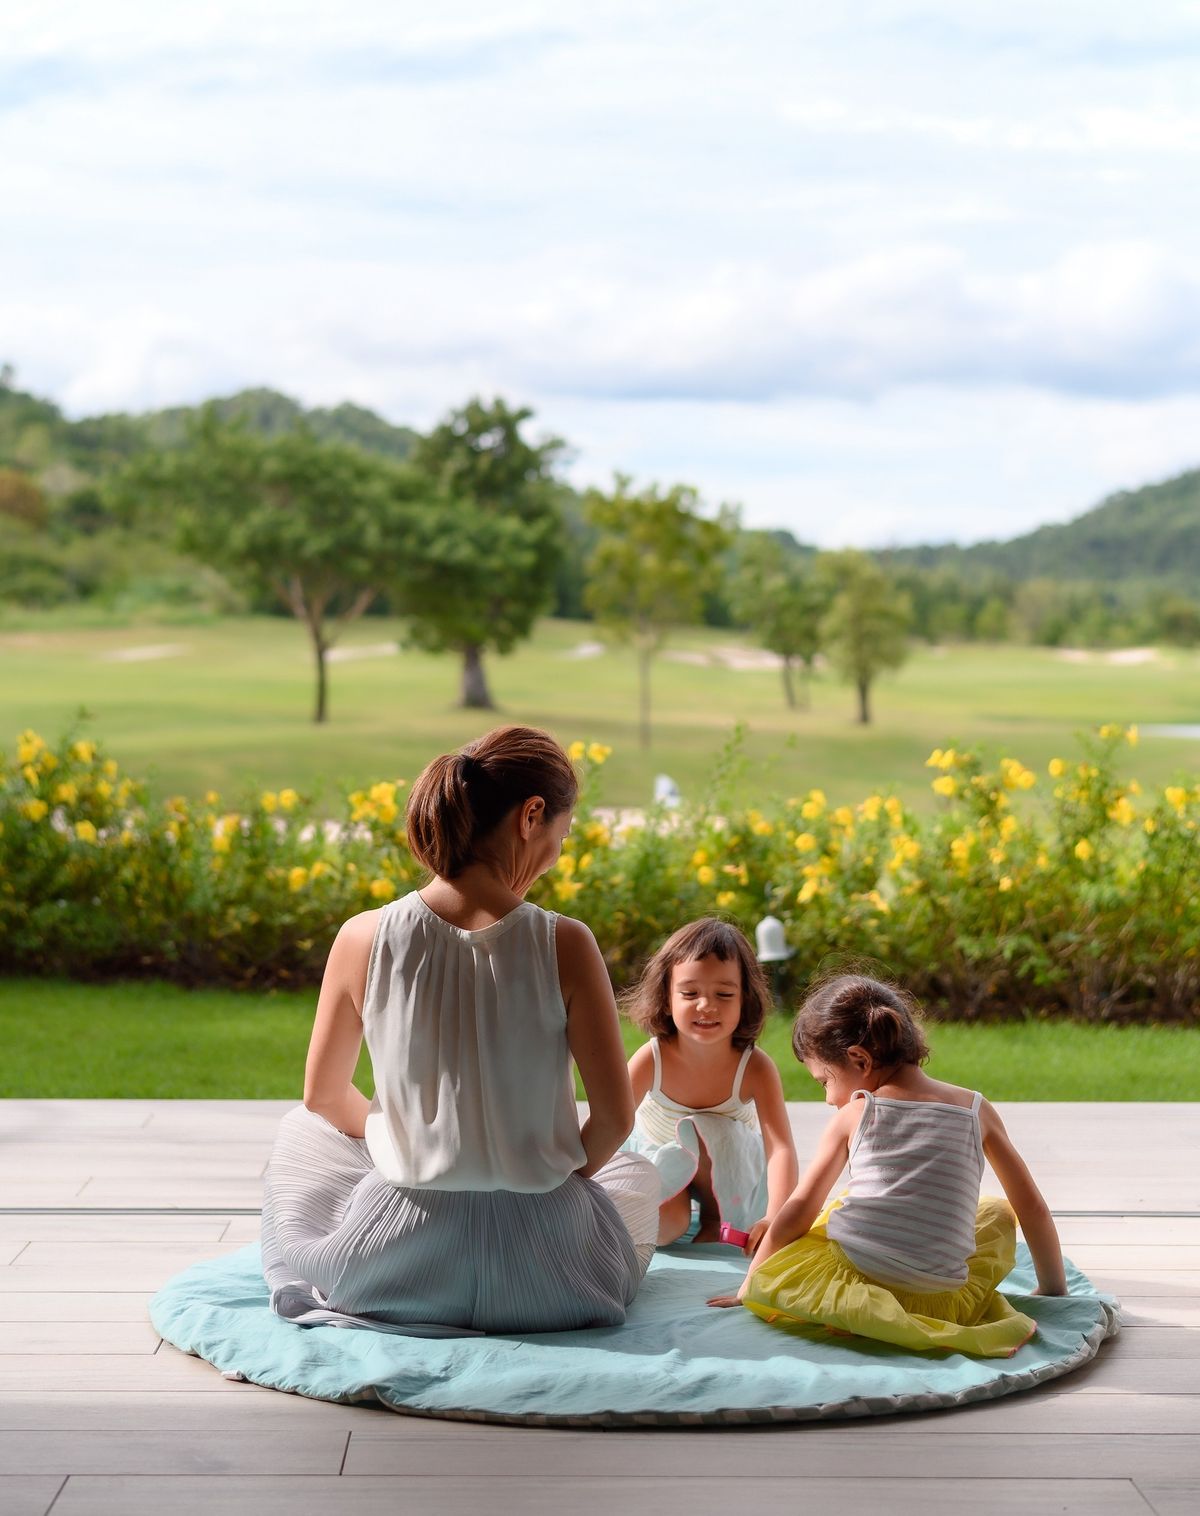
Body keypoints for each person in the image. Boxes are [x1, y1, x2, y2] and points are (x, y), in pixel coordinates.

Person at [260, 725, 659, 1336]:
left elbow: (323, 1096)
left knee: (298, 1130)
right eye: (561, 833)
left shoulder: (362, 937)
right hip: (553, 1279)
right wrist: (547, 1184)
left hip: (392, 1266)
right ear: (532, 815)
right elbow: (614, 1121)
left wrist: (401, 1138)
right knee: (636, 1174)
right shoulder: (566, 942)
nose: (556, 852)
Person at [707, 972, 1067, 1357]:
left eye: (824, 1082)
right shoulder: (977, 1110)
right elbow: (1032, 1208)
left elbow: (796, 1212)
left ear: (859, 1059)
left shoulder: (856, 1114)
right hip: (941, 1300)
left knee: (828, 1215)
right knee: (997, 1211)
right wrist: (1052, 1289)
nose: (828, 1099)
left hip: (854, 1288)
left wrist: (753, 1284)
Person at [623, 918, 798, 1249]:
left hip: (727, 1168)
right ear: (666, 996)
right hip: (661, 1157)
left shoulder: (755, 1067)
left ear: (745, 998)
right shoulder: (653, 1057)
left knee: (702, 1130)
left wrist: (775, 1215)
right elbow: (613, 1121)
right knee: (663, 1228)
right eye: (690, 993)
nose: (707, 1006)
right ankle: (676, 1208)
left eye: (724, 993)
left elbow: (781, 1148)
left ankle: (715, 1217)